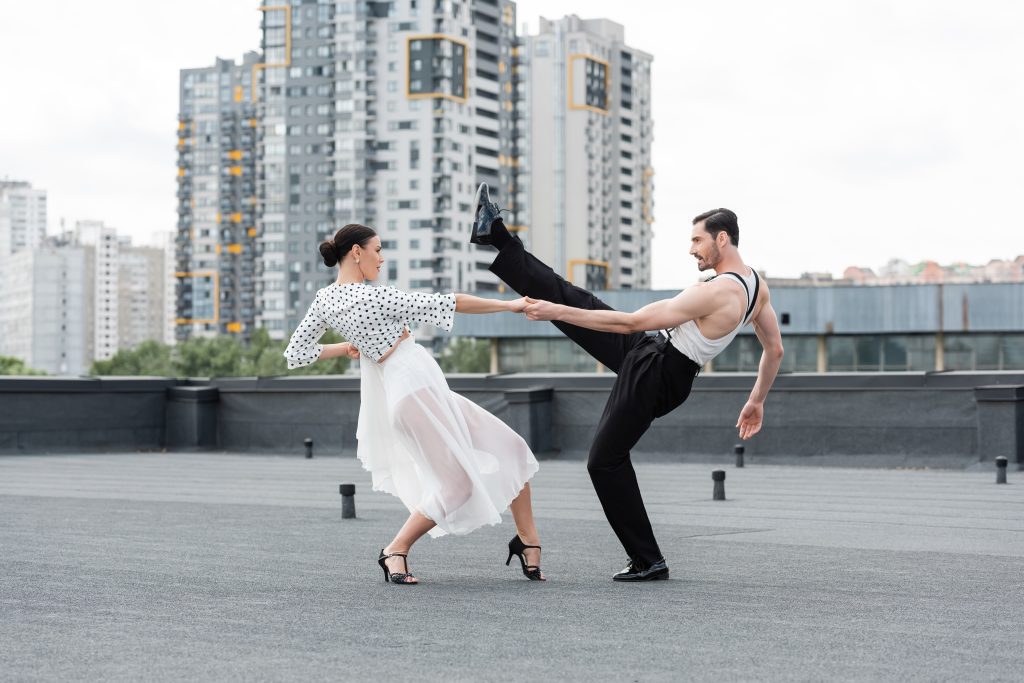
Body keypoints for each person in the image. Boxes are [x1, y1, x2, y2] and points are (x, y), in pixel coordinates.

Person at [471, 184, 784, 581]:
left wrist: (554, 312)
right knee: (576, 299)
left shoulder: (720, 291)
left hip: (658, 372)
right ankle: (494, 235)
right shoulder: (757, 286)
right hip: (653, 354)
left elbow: (632, 320)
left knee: (603, 460)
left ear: (722, 239)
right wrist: (756, 400)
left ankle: (648, 559)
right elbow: (774, 350)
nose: (691, 250)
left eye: (697, 240)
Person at [284, 223, 545, 585]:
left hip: (419, 390)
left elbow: (295, 354)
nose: (382, 257)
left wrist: (345, 348)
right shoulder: (372, 296)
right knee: (457, 487)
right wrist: (510, 305)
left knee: (512, 449)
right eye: (377, 249)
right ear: (356, 252)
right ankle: (396, 549)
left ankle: (528, 542)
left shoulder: (325, 301)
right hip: (415, 391)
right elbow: (450, 302)